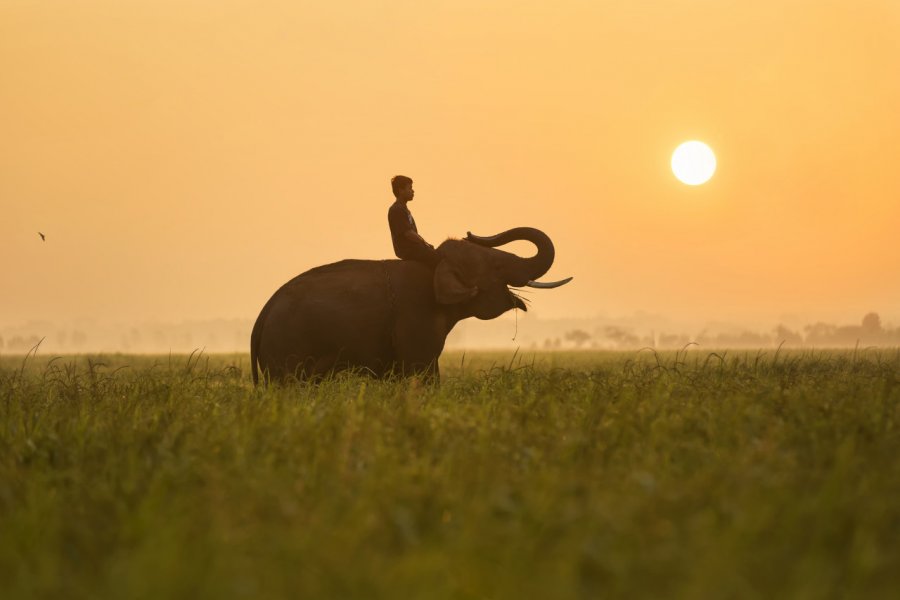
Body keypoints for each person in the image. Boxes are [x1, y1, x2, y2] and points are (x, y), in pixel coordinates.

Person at [387, 175, 441, 268]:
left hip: (413, 248)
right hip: (408, 250)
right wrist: (424, 243)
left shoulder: (403, 209)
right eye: (410, 188)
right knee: (438, 258)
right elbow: (408, 233)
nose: (413, 191)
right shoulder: (397, 209)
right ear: (401, 190)